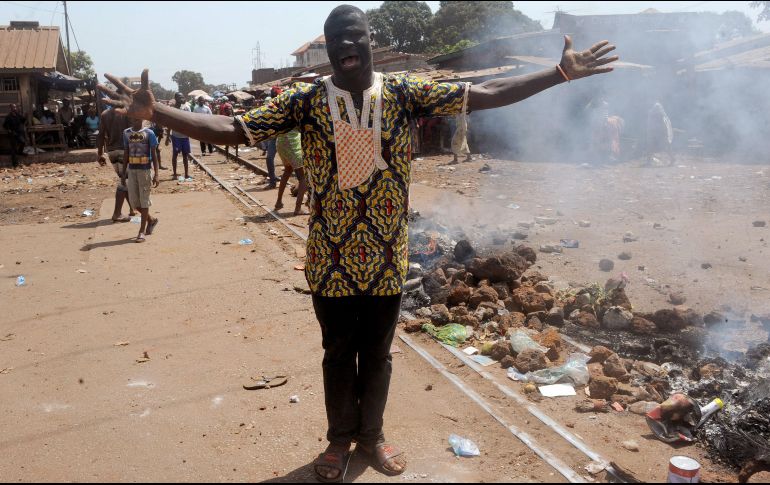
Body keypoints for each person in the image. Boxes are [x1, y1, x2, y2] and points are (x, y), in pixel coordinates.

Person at [98, 5, 616, 480]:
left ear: (370, 41)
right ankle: (339, 441)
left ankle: (373, 437)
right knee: (336, 353)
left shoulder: (403, 92)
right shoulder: (304, 101)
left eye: (356, 36)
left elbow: (483, 96)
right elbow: (236, 128)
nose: (347, 44)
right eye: (336, 39)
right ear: (328, 49)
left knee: (380, 354)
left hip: (388, 257)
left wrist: (560, 72)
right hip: (330, 259)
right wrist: (159, 113)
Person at [121, 117, 159, 242]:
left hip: (145, 170)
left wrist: (156, 174)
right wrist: (123, 173)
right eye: (133, 116)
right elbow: (126, 153)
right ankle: (151, 220)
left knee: (144, 201)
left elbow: (154, 154)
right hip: (132, 171)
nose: (135, 119)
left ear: (142, 118)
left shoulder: (149, 133)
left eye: (137, 117)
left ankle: (141, 231)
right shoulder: (126, 133)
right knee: (134, 202)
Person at [97, 107, 135, 222]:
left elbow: (101, 134)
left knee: (124, 178)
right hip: (125, 150)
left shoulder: (105, 113)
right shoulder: (126, 112)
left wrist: (100, 154)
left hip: (112, 150)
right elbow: (132, 132)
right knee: (124, 180)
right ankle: (117, 213)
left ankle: (132, 208)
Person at [274, 127, 307, 216]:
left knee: (287, 171)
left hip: (281, 142)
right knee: (303, 178)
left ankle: (278, 202)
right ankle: (298, 209)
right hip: (292, 143)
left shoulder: (282, 113)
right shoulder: (297, 113)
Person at [165, 92, 192, 180]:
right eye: (179, 97)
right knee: (175, 154)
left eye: (182, 97)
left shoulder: (187, 108)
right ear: (175, 98)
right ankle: (175, 173)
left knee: (185, 155)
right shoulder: (172, 109)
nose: (181, 98)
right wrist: (167, 136)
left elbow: (191, 120)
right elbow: (169, 123)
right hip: (176, 136)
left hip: (185, 136)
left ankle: (186, 174)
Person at [646, 100, 673, 166]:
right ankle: (648, 161)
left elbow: (665, 126)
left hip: (661, 134)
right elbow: (650, 124)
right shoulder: (652, 113)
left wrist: (665, 134)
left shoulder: (661, 114)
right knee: (650, 147)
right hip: (654, 133)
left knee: (666, 147)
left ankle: (673, 159)